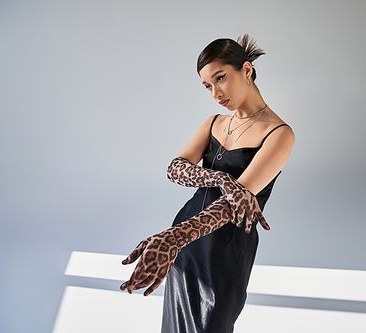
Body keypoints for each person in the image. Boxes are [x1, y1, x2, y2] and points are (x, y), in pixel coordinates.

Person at [120, 34, 294, 333]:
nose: (215, 93)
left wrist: (172, 239)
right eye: (207, 86)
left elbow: (230, 207)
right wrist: (219, 177)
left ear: (247, 71)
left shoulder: (279, 134)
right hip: (184, 243)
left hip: (223, 251)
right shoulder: (213, 122)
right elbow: (175, 169)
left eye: (221, 78)